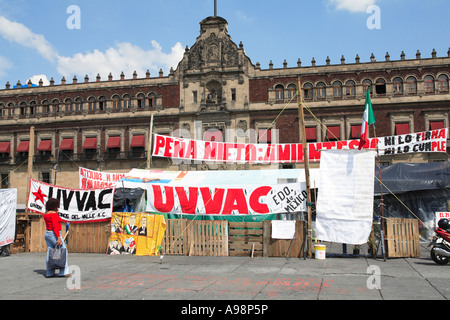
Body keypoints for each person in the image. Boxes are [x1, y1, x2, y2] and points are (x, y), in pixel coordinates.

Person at [43, 198, 69, 277]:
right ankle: (63, 271)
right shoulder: (54, 214)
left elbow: (57, 220)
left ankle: (50, 272)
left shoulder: (46, 214)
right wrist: (58, 237)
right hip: (54, 233)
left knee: (49, 252)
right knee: (63, 250)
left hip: (47, 233)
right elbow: (55, 226)